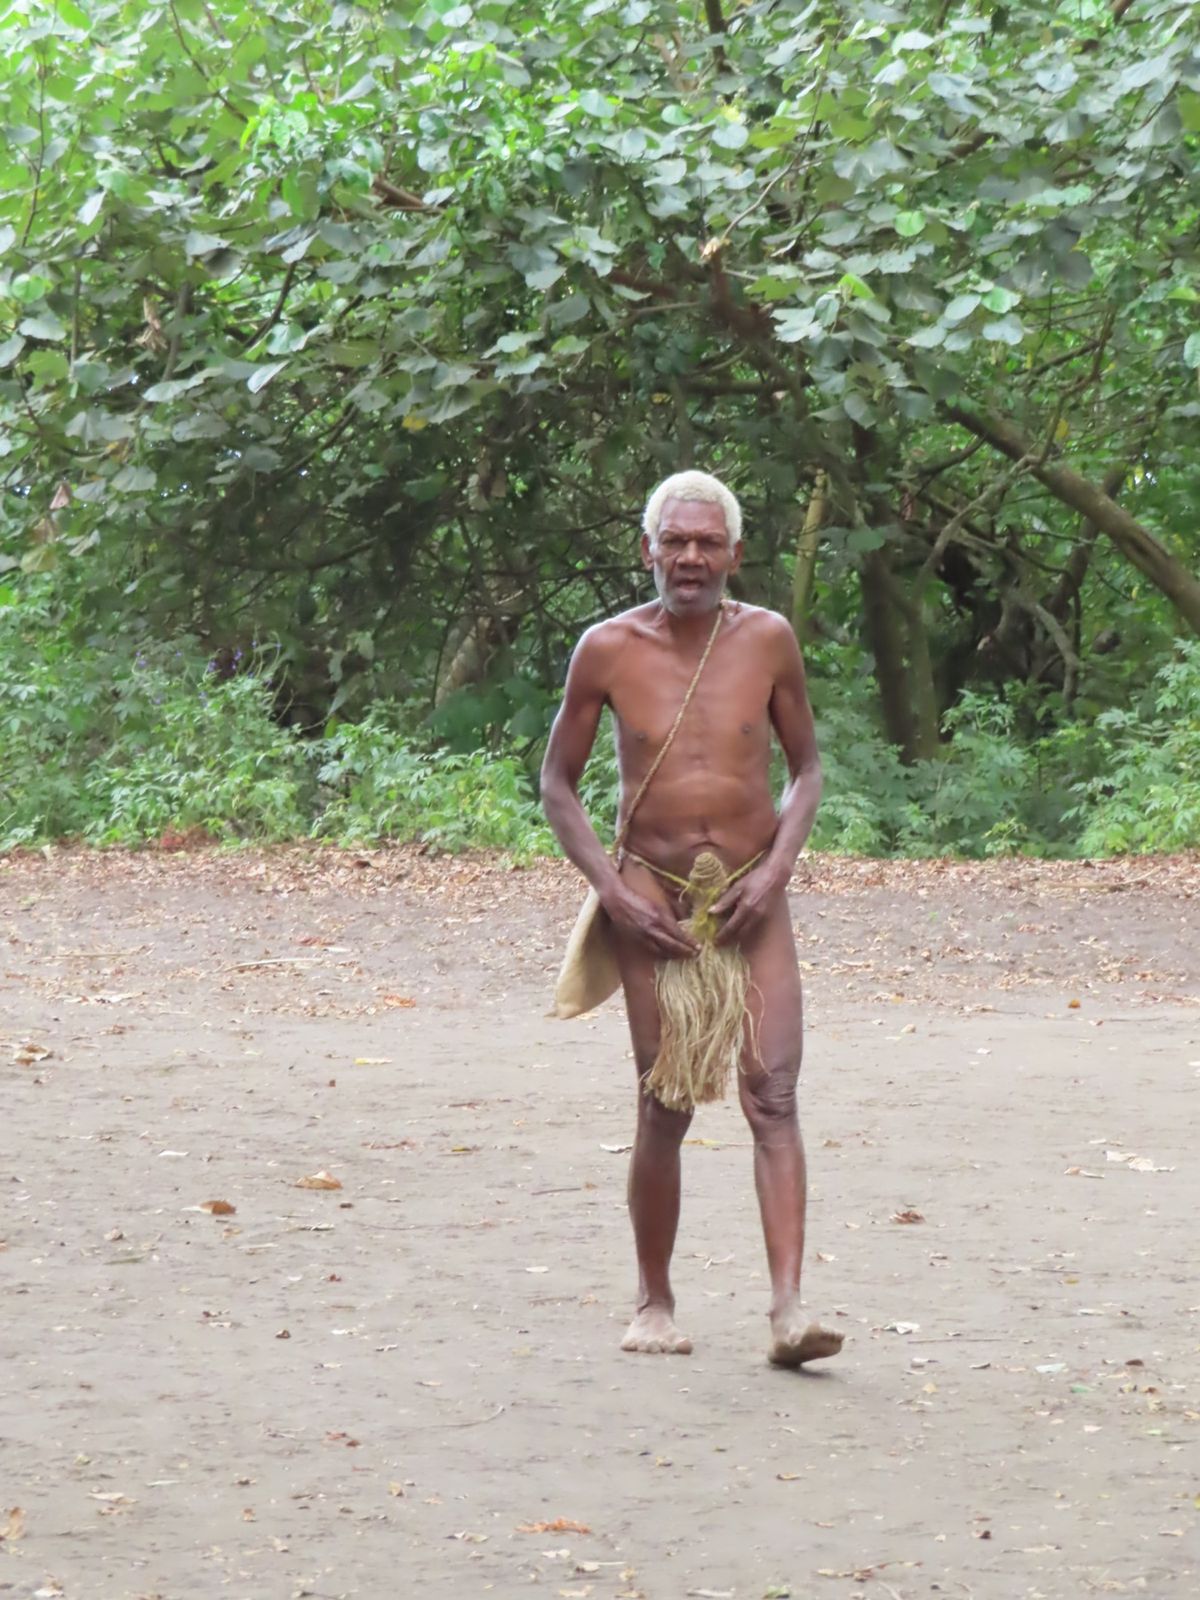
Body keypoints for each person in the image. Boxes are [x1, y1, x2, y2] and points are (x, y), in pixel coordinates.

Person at [540, 469, 844, 1367]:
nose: (691, 557)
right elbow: (557, 785)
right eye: (675, 541)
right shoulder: (606, 649)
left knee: (774, 1093)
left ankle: (790, 1313)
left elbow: (808, 770)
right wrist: (613, 891)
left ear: (736, 555)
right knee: (664, 1102)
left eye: (708, 543)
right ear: (648, 549)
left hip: (753, 892)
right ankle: (654, 1301)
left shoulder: (769, 641)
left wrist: (779, 869)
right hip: (653, 902)